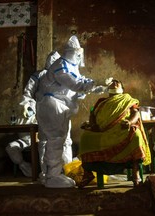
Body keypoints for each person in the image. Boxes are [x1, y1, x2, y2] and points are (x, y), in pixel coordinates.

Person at [36, 35, 106, 188]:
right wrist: (95, 83)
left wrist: (94, 88)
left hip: (58, 106)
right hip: (52, 105)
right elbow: (74, 83)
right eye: (78, 53)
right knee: (55, 139)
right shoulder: (61, 65)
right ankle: (52, 176)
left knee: (60, 139)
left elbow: (78, 86)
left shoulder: (69, 65)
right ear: (75, 52)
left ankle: (56, 173)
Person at [6, 51, 73, 182]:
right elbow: (28, 93)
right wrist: (28, 106)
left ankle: (66, 172)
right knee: (44, 143)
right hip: (45, 113)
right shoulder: (39, 75)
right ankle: (46, 173)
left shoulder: (65, 75)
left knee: (65, 142)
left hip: (62, 113)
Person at [78, 78, 151, 188]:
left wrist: (130, 122)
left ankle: (135, 173)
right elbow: (93, 115)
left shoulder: (128, 99)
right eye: (113, 82)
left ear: (122, 89)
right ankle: (87, 174)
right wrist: (92, 125)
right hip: (103, 132)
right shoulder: (101, 102)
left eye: (118, 83)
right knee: (85, 137)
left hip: (121, 129)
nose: (115, 83)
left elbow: (135, 113)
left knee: (135, 135)